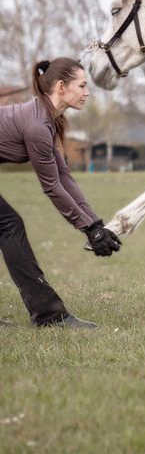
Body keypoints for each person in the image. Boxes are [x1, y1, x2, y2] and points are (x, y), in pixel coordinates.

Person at [0, 57, 121, 329]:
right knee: (9, 226)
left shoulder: (45, 118)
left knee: (7, 225)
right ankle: (49, 316)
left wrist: (96, 223)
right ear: (61, 87)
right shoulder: (37, 126)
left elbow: (63, 176)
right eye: (82, 85)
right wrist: (89, 229)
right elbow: (52, 187)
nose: (87, 92)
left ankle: (48, 315)